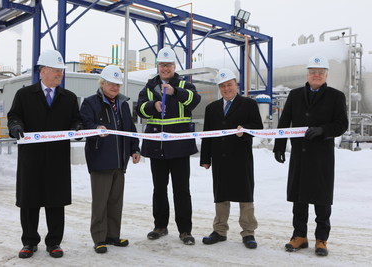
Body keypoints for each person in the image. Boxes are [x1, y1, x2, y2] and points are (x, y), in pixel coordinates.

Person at [7, 49, 82, 259]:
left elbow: (76, 120)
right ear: (43, 71)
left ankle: (54, 242)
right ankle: (29, 242)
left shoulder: (69, 98)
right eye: (56, 71)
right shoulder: (24, 95)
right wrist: (15, 126)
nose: (60, 74)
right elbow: (14, 116)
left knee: (55, 201)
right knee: (30, 201)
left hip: (57, 158)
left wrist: (77, 128)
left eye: (62, 71)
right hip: (31, 157)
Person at [273, 55, 348, 256]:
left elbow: (342, 124)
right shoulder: (295, 95)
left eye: (320, 72)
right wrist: (279, 146)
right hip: (300, 155)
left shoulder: (336, 96)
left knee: (322, 200)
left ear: (326, 75)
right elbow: (284, 122)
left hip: (321, 156)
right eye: (313, 72)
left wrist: (323, 130)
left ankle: (321, 239)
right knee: (299, 198)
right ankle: (299, 236)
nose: (316, 75)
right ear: (307, 74)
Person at [136, 47, 201, 245]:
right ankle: (160, 226)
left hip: (179, 147)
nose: (165, 69)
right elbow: (139, 109)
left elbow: (194, 100)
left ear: (174, 66)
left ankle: (185, 230)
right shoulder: (149, 87)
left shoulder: (184, 85)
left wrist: (175, 92)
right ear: (158, 66)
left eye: (168, 65)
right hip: (157, 147)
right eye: (162, 65)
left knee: (181, 190)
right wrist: (152, 106)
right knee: (159, 189)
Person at [200, 68, 263, 249]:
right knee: (221, 194)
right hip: (220, 158)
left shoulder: (248, 105)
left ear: (236, 85)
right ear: (219, 88)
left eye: (229, 85)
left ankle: (248, 232)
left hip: (240, 157)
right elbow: (207, 134)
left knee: (245, 195)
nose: (226, 89)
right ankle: (219, 230)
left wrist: (244, 130)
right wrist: (206, 158)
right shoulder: (211, 108)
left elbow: (257, 127)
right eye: (223, 86)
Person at [80, 65, 141, 254]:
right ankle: (99, 238)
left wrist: (134, 148)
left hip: (119, 162)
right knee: (100, 202)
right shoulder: (90, 103)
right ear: (102, 83)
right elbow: (85, 124)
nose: (115, 88)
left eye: (118, 85)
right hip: (100, 160)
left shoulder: (122, 104)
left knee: (115, 202)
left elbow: (130, 129)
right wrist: (96, 128)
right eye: (111, 84)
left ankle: (113, 235)